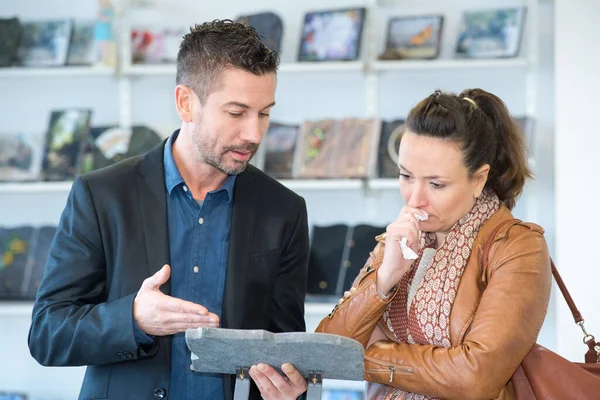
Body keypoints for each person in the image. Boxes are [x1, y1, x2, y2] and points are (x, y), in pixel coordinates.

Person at [29, 20, 309, 400]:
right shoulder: (100, 195)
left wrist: (290, 390)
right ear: (185, 103)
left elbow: (284, 347)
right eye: (236, 112)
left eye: (263, 113)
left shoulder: (284, 210)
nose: (254, 134)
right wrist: (133, 319)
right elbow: (48, 333)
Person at [316, 88, 551, 400]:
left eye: (436, 184)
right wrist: (385, 279)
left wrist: (367, 357)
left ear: (479, 179)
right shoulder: (399, 237)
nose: (415, 199)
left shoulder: (517, 247)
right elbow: (325, 352)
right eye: (406, 176)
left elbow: (474, 378)